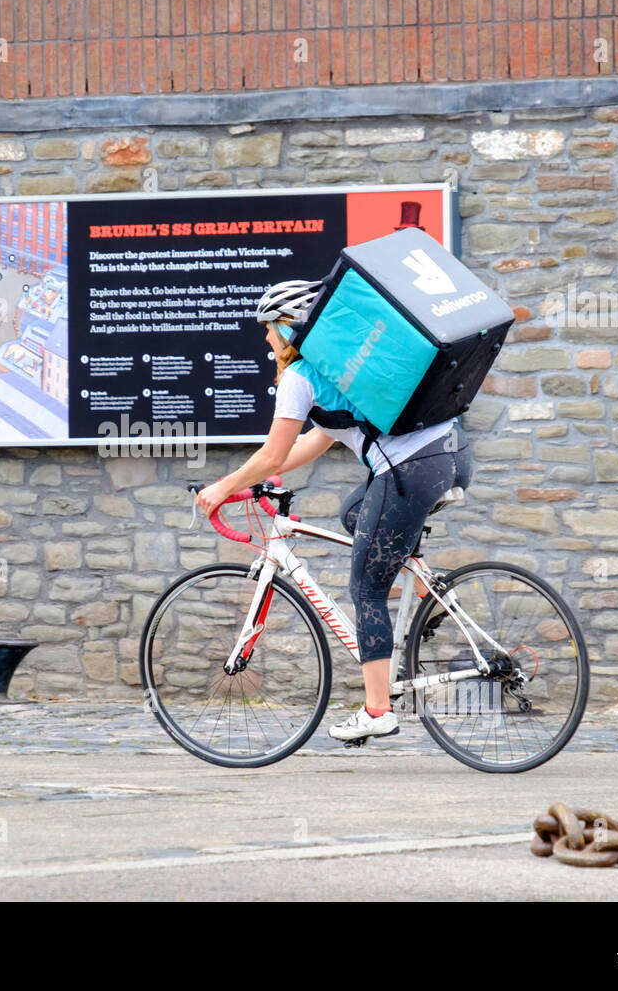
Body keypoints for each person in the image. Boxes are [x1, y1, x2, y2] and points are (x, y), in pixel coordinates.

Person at [195, 279, 474, 742]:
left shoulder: (301, 377)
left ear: (288, 329)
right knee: (353, 516)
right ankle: (432, 594)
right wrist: (259, 476)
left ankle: (377, 710)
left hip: (410, 471)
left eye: (269, 330)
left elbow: (270, 452)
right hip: (452, 454)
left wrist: (222, 488)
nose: (267, 340)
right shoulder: (343, 367)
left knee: (366, 588)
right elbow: (314, 440)